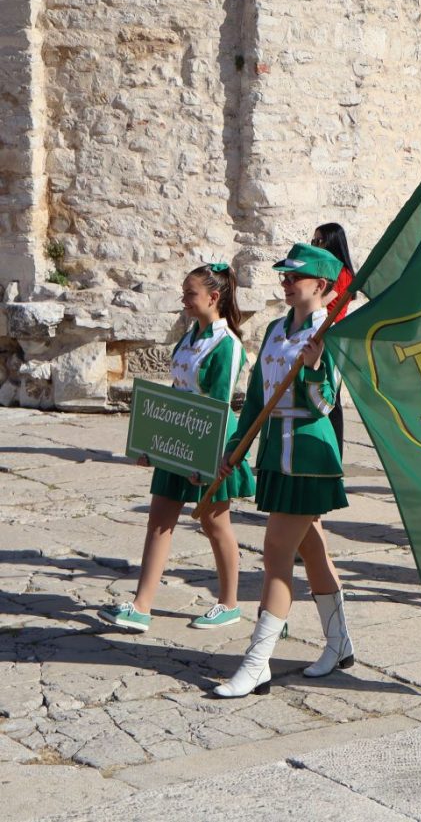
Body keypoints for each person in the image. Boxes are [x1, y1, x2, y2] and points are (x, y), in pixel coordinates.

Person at [212, 243, 353, 698]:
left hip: (309, 455)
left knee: (275, 555)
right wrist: (236, 446)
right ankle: (339, 643)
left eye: (296, 277)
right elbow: (257, 397)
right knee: (310, 551)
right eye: (285, 276)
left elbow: (325, 404)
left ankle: (257, 664)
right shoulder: (275, 329)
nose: (287, 282)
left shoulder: (330, 332)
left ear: (323, 286)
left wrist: (314, 369)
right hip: (275, 453)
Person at [99, 263, 255, 633]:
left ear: (213, 298)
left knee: (215, 523)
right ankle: (141, 606)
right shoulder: (189, 337)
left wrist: (209, 457)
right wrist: (149, 442)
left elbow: (217, 404)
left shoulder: (227, 344)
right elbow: (175, 392)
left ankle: (230, 602)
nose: (184, 300)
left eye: (190, 294)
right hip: (179, 437)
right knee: (159, 520)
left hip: (210, 442)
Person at [310, 223, 355, 456]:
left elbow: (326, 300)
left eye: (319, 241)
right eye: (314, 241)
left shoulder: (342, 273)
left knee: (332, 397)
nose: (316, 245)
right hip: (322, 331)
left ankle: (335, 451)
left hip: (332, 334)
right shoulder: (329, 269)